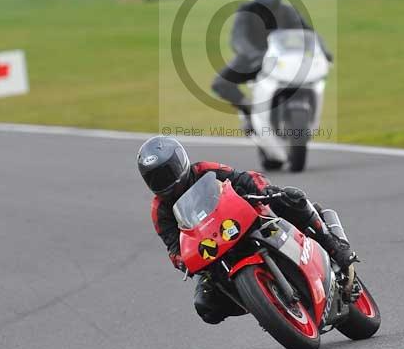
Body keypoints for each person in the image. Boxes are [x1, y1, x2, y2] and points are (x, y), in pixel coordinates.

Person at [137, 135, 357, 325]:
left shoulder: (204, 170)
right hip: (213, 248)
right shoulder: (160, 211)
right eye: (155, 177)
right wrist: (183, 261)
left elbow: (243, 178)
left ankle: (335, 246)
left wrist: (265, 190)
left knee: (291, 198)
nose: (166, 180)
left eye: (168, 171)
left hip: (245, 217)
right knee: (205, 306)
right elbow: (173, 247)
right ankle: (264, 305)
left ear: (180, 161)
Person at [211, 0, 332, 126]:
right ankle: (250, 111)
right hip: (254, 59)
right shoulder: (246, 11)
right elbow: (238, 38)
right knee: (221, 84)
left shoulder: (289, 12)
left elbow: (309, 34)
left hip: (285, 59)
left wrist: (323, 51)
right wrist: (253, 54)